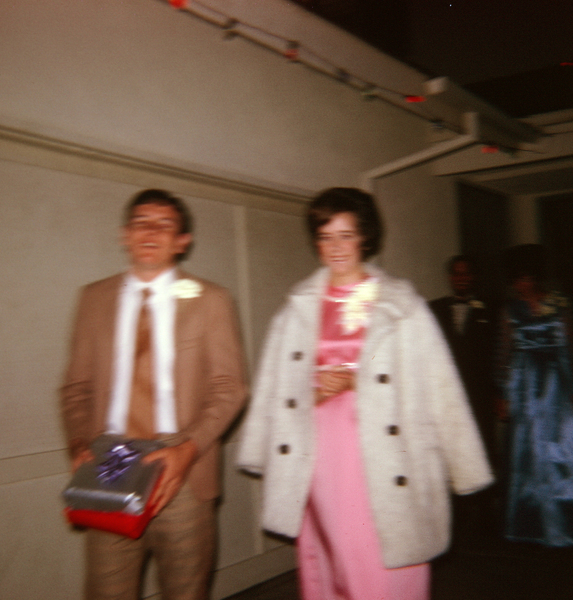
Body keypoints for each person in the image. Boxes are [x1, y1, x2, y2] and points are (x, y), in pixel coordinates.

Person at [237, 188, 493, 600]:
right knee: (333, 555)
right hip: (320, 448)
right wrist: (312, 390)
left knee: (377, 557)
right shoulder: (297, 308)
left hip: (383, 447)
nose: (336, 247)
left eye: (346, 235)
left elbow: (438, 385)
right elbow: (275, 386)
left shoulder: (402, 304)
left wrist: (357, 382)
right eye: (326, 237)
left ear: (366, 238)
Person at [61, 189, 247, 600]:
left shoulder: (210, 299)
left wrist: (188, 448)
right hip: (111, 465)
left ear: (182, 241)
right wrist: (78, 443)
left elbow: (230, 388)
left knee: (185, 592)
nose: (151, 231)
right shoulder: (93, 299)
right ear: (124, 235)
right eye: (141, 222)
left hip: (182, 469)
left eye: (165, 225)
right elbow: (76, 388)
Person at [500, 244, 573, 546]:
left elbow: (570, 344)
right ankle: (532, 525)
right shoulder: (510, 310)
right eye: (518, 279)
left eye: (527, 278)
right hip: (525, 387)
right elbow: (504, 352)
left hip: (558, 383)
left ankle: (563, 522)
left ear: (536, 278)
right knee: (527, 453)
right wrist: (502, 392)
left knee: (562, 448)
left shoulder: (559, 304)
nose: (523, 284)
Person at [429, 256, 497, 460]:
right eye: (456, 274)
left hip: (479, 392)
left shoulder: (490, 308)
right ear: (450, 277)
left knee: (481, 445)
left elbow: (495, 353)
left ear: (474, 276)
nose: (461, 278)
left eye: (466, 273)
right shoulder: (434, 308)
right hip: (446, 390)